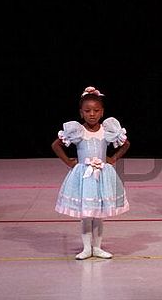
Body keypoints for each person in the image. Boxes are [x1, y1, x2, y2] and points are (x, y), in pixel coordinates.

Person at [52, 86, 130, 259]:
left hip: (102, 176)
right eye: (87, 111)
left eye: (96, 111)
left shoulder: (107, 130)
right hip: (84, 177)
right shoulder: (77, 131)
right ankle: (87, 248)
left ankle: (98, 247)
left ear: (102, 112)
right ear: (81, 113)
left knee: (99, 214)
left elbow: (125, 144)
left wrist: (112, 158)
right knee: (87, 214)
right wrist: (69, 162)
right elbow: (56, 145)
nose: (92, 114)